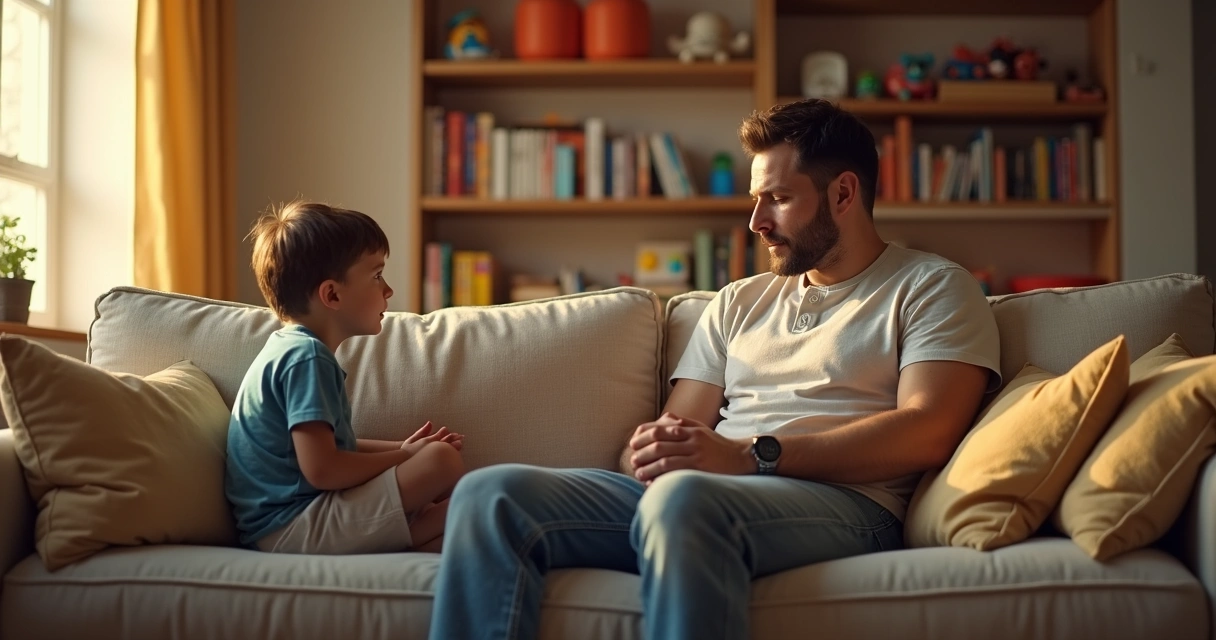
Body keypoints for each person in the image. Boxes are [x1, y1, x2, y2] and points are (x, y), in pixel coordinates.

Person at [427, 99, 1001, 639]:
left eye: (776, 198)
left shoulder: (930, 286)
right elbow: (679, 425)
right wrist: (652, 451)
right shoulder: (738, 301)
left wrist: (750, 455)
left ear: (844, 194)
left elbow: (929, 429)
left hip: (850, 505)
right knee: (491, 493)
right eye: (755, 200)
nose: (756, 221)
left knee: (686, 503)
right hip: (707, 492)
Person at [225, 200, 464, 555]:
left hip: (289, 524)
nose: (388, 290)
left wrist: (403, 448)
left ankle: (426, 534)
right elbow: (324, 469)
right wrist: (405, 457)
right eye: (377, 274)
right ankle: (414, 538)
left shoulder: (291, 349)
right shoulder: (306, 358)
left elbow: (334, 447)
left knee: (446, 481)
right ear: (332, 294)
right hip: (293, 528)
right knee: (443, 464)